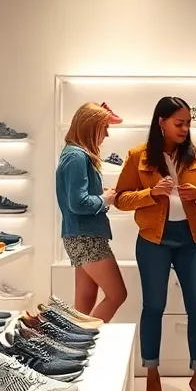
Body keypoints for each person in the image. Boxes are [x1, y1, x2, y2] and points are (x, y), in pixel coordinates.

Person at [114, 97, 196, 391]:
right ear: (161, 122)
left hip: (190, 240)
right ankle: (152, 374)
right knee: (153, 307)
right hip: (153, 240)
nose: (185, 129)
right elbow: (121, 199)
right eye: (179, 123)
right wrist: (151, 193)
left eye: (188, 123)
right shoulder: (139, 156)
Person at [55, 103, 126, 320]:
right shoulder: (77, 156)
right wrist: (104, 199)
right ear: (90, 126)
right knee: (117, 294)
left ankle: (74, 347)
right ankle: (81, 342)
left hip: (78, 235)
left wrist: (99, 195)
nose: (106, 133)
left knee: (85, 300)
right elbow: (78, 203)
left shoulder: (73, 153)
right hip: (86, 237)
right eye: (103, 127)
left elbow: (76, 198)